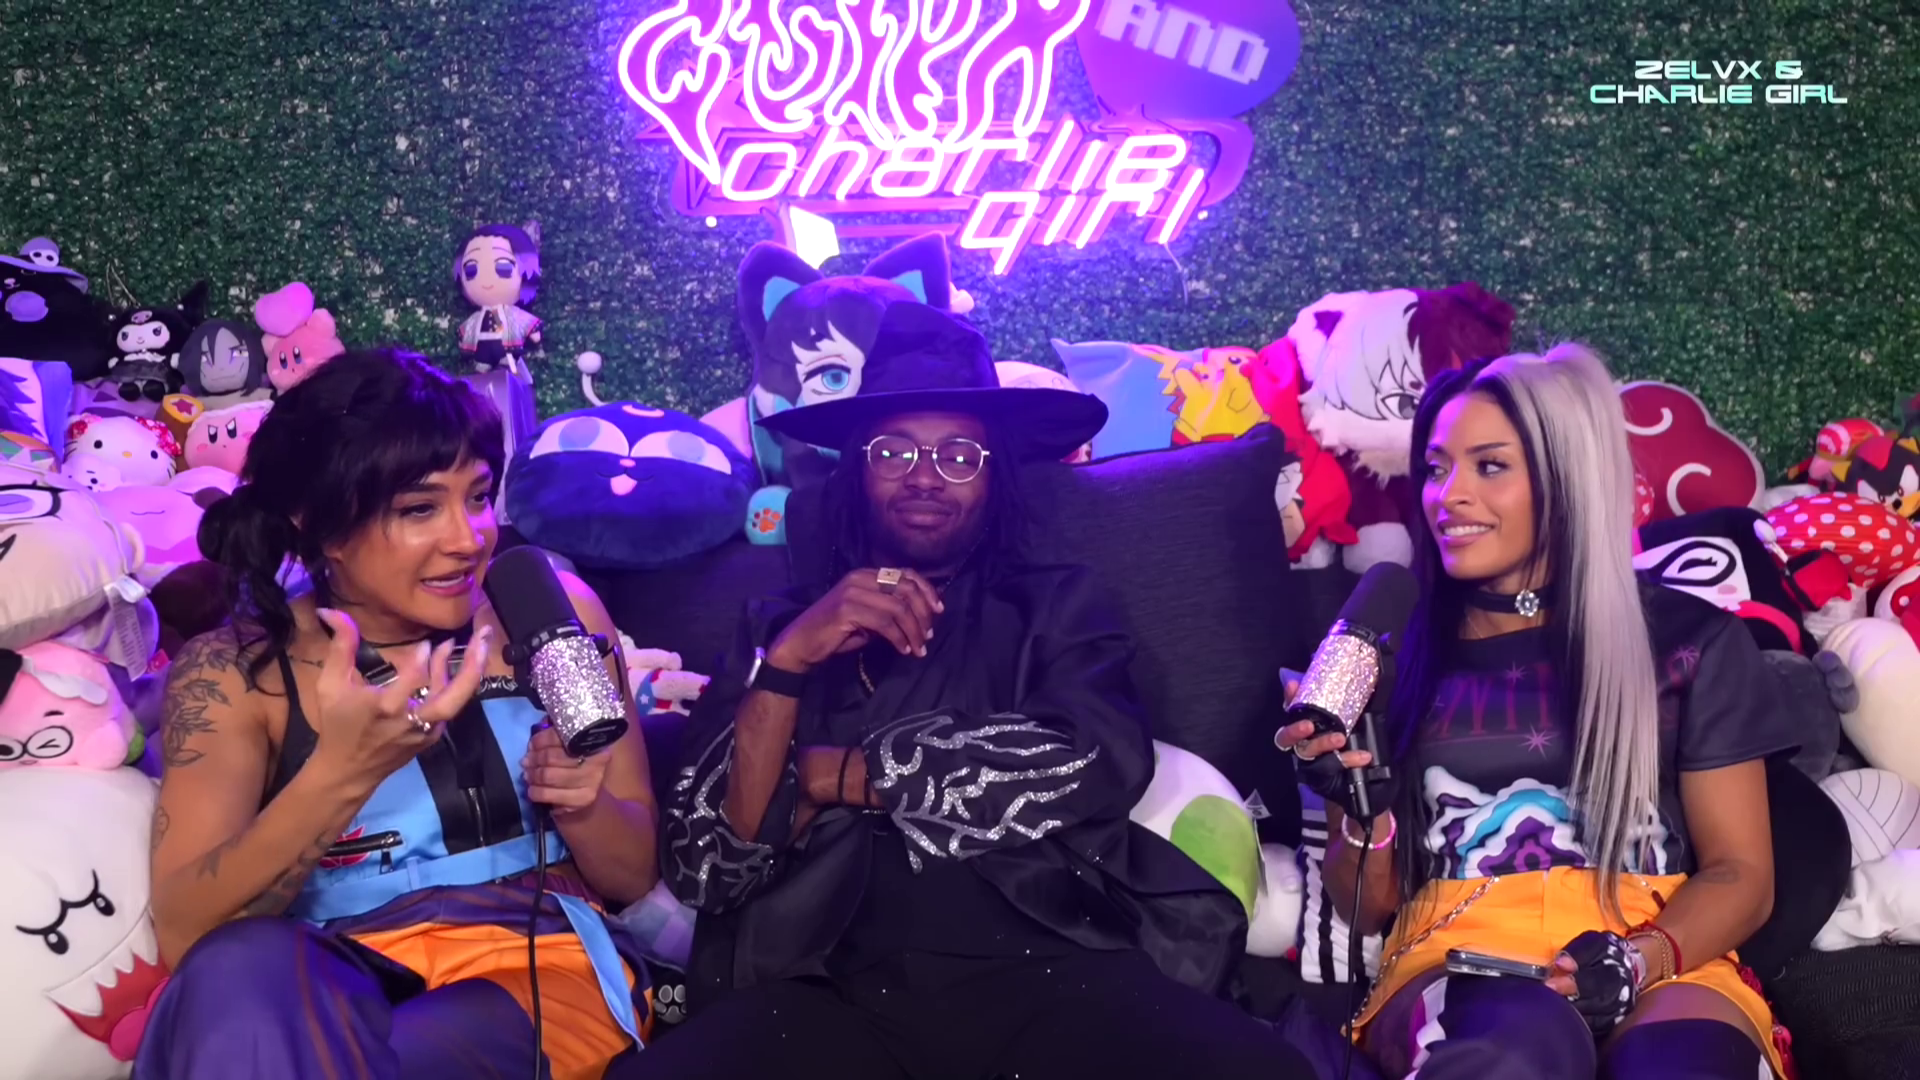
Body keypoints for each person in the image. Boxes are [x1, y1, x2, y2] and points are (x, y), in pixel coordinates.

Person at [622, 303, 1317, 1079]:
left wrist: (831, 775)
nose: (925, 475)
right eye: (894, 451)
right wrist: (787, 664)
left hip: (1050, 962)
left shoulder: (1055, 605)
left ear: (995, 480)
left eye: (959, 454)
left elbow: (1096, 759)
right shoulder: (777, 629)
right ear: (857, 470)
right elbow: (710, 866)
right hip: (823, 981)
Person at [1279, 345, 1799, 1079]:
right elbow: (1367, 908)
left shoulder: (1691, 641)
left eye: (1490, 466)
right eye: (1436, 468)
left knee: (1683, 1066)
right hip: (1457, 954)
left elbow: (1743, 873)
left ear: (1567, 480)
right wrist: (1366, 817)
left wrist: (1636, 960)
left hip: (1662, 953)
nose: (1448, 496)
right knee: (1512, 1051)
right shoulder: (1386, 654)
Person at [139, 349, 659, 1080]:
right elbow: (188, 935)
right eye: (420, 509)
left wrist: (581, 801)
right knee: (238, 966)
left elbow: (633, 875)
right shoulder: (235, 671)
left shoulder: (552, 612)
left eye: (478, 497)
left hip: (538, 967)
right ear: (318, 524)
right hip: (326, 980)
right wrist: (342, 773)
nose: (469, 538)